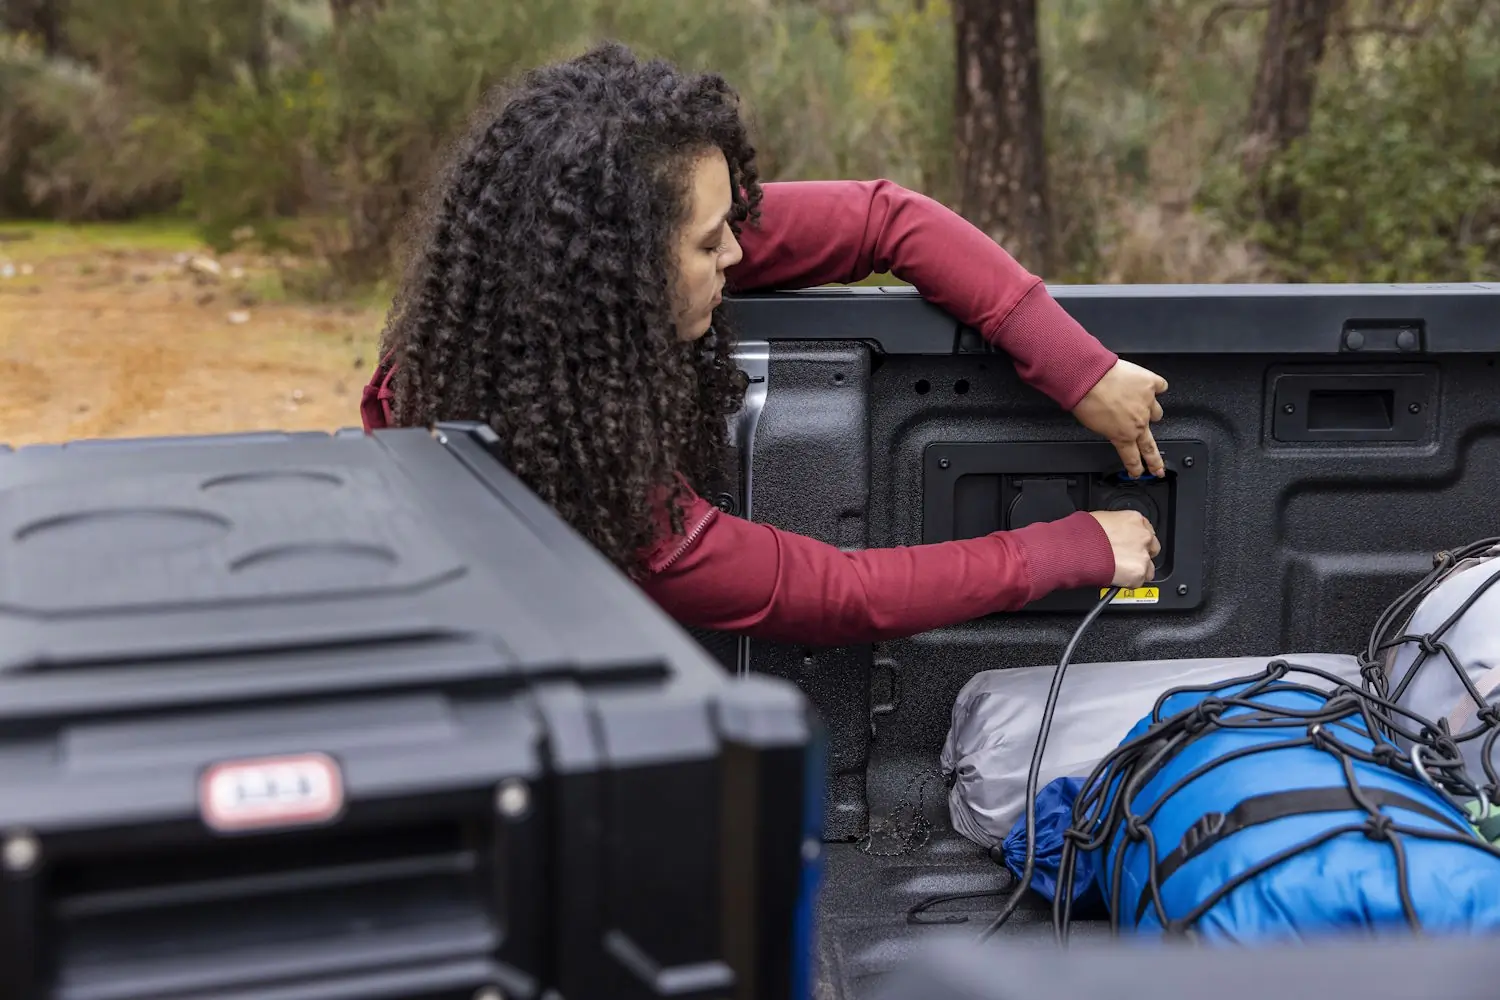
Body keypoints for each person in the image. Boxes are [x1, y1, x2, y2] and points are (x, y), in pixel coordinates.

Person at [361, 42, 1165, 646]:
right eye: (711, 246)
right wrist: (1067, 549)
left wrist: (1078, 369)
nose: (739, 257)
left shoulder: (586, 270)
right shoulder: (554, 470)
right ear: (620, 271)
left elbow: (885, 217)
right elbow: (833, 593)